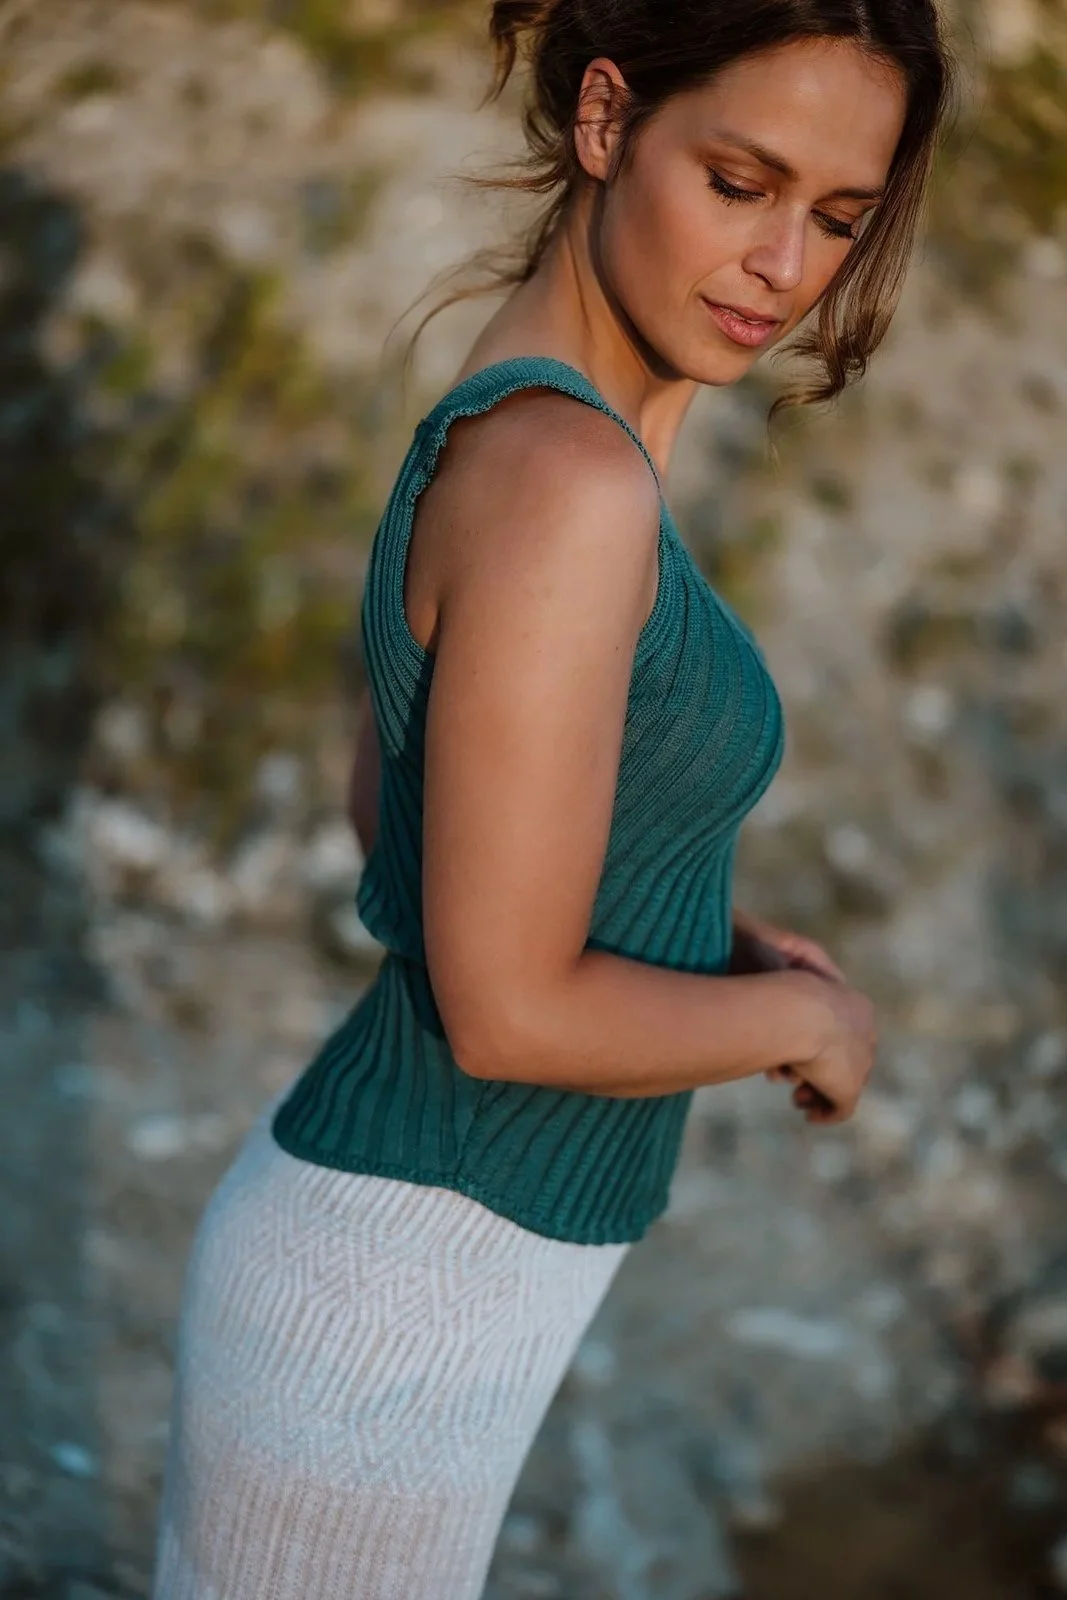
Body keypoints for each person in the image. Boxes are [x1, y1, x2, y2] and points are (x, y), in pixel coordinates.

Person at [152, 2, 954, 1595]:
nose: (784, 266)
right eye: (740, 181)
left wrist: (697, 932)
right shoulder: (569, 483)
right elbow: (506, 1013)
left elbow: (400, 805)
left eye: (838, 218)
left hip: (407, 1282)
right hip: (388, 1310)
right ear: (605, 120)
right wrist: (807, 1028)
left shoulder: (517, 424)